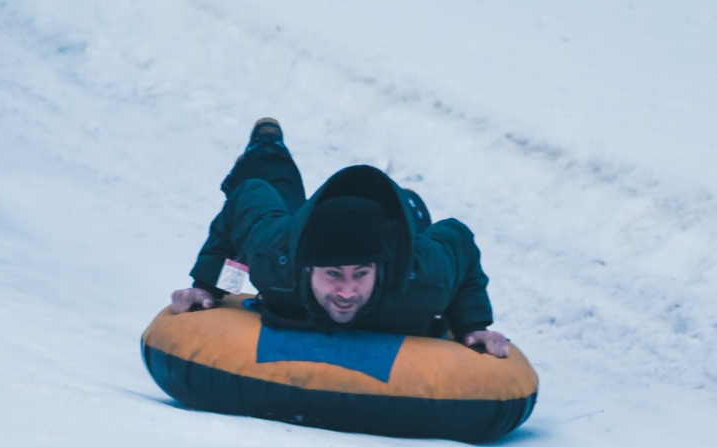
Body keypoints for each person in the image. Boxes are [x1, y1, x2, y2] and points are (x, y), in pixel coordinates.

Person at [170, 118, 510, 358]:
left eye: (360, 274)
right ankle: (267, 145)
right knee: (276, 192)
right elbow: (248, 196)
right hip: (307, 226)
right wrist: (206, 285)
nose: (347, 292)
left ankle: (411, 204)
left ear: (378, 268)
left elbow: (458, 238)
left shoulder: (424, 279)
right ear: (306, 270)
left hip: (397, 227)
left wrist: (472, 324)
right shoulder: (275, 255)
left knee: (415, 226)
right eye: (333, 274)